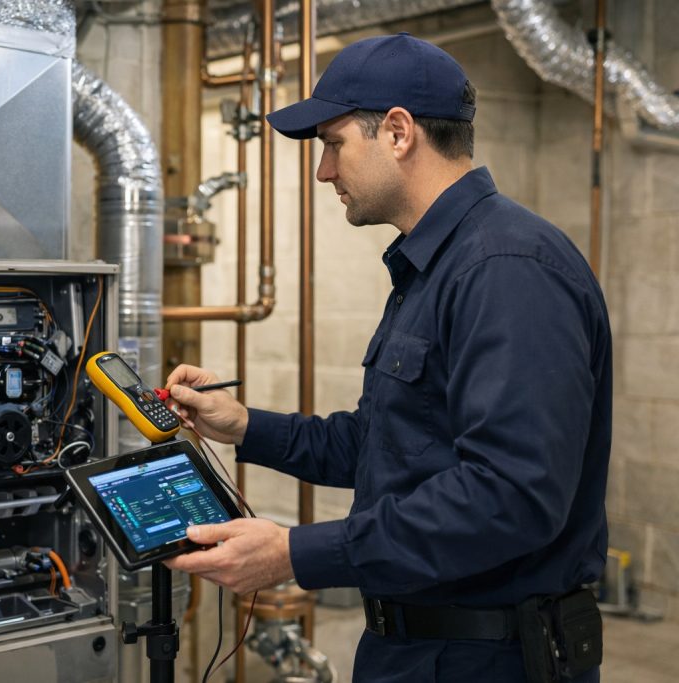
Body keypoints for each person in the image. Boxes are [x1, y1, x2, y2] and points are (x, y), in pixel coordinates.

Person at [164, 33, 611, 683]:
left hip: (486, 659)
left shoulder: (507, 270)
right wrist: (243, 426)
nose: (324, 172)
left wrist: (297, 551)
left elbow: (509, 496)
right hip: (417, 649)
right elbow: (388, 447)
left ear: (397, 132)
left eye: (333, 145)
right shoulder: (438, 267)